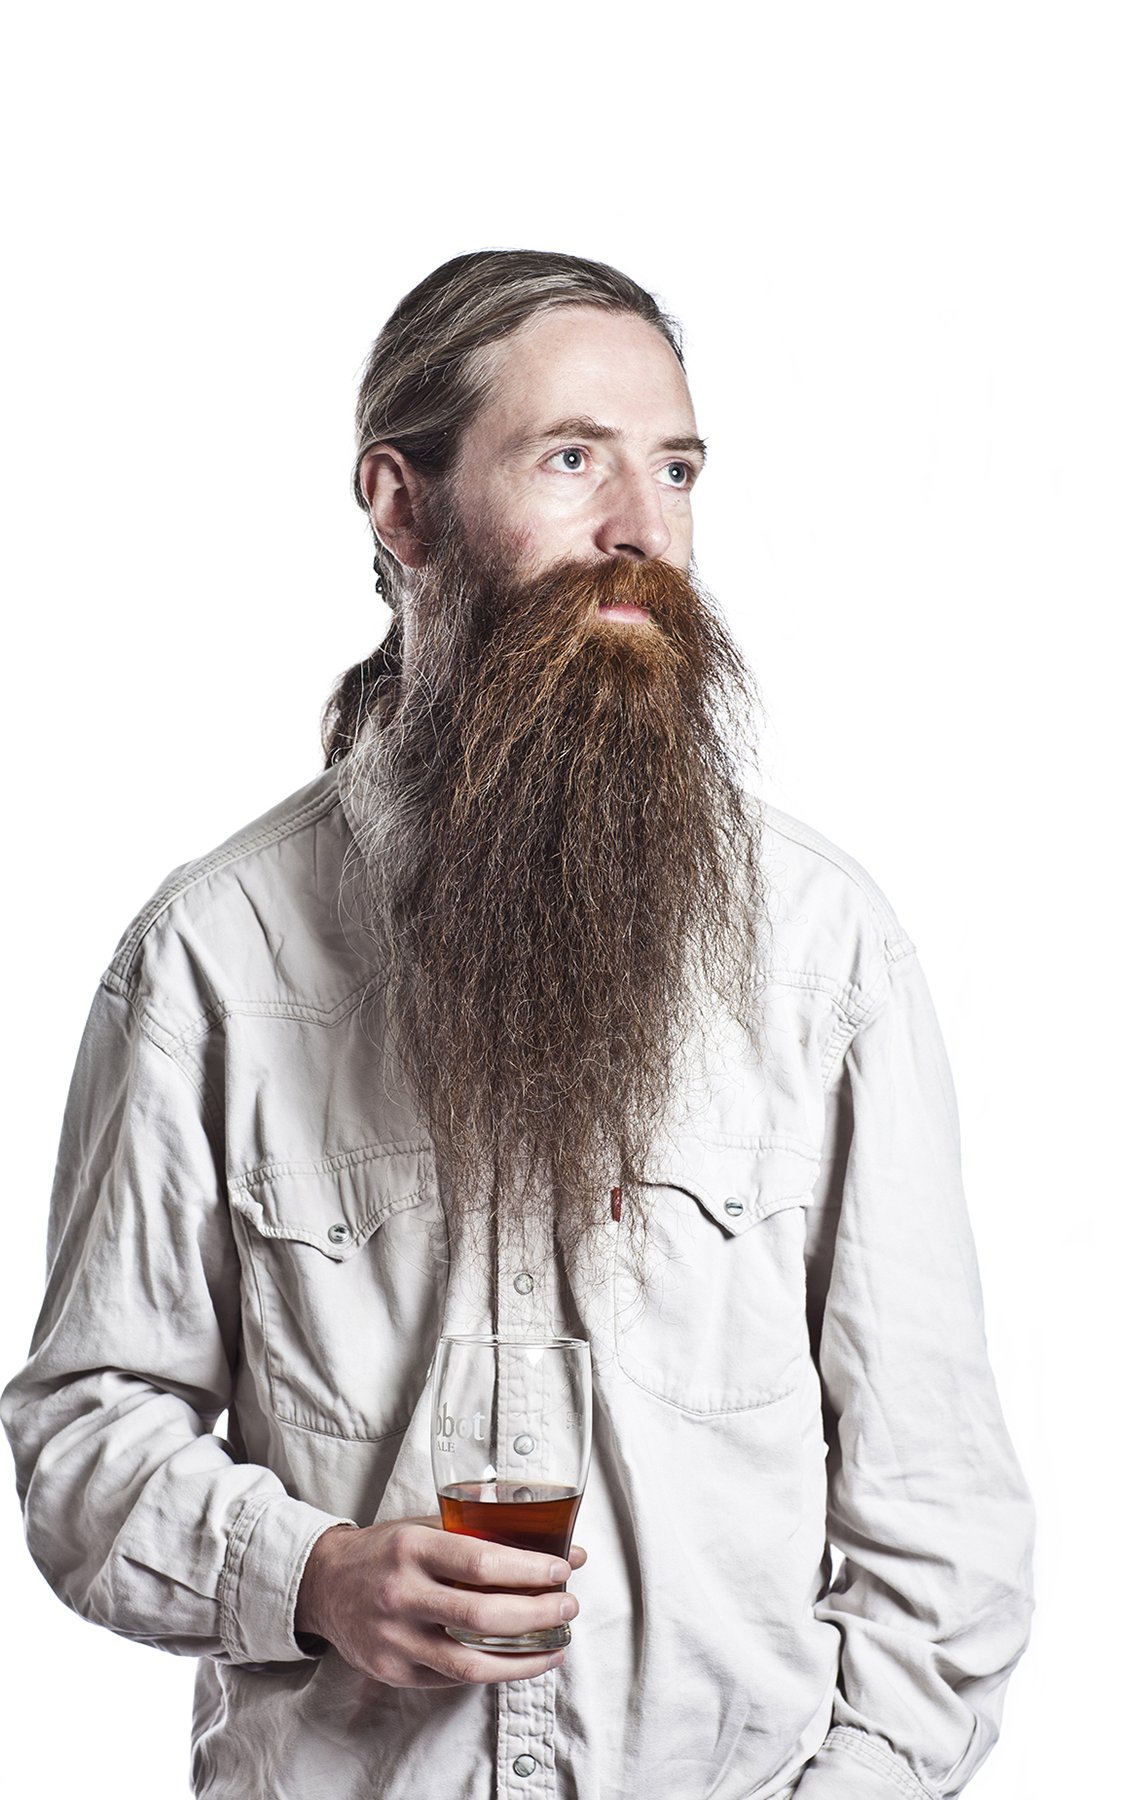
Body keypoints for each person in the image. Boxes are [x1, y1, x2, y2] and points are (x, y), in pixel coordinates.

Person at [2, 250, 1033, 1800]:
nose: (644, 530)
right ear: (401, 507)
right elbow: (85, 1433)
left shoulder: (826, 955)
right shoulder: (213, 956)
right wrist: (310, 1573)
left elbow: (937, 1507)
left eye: (675, 470)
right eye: (572, 460)